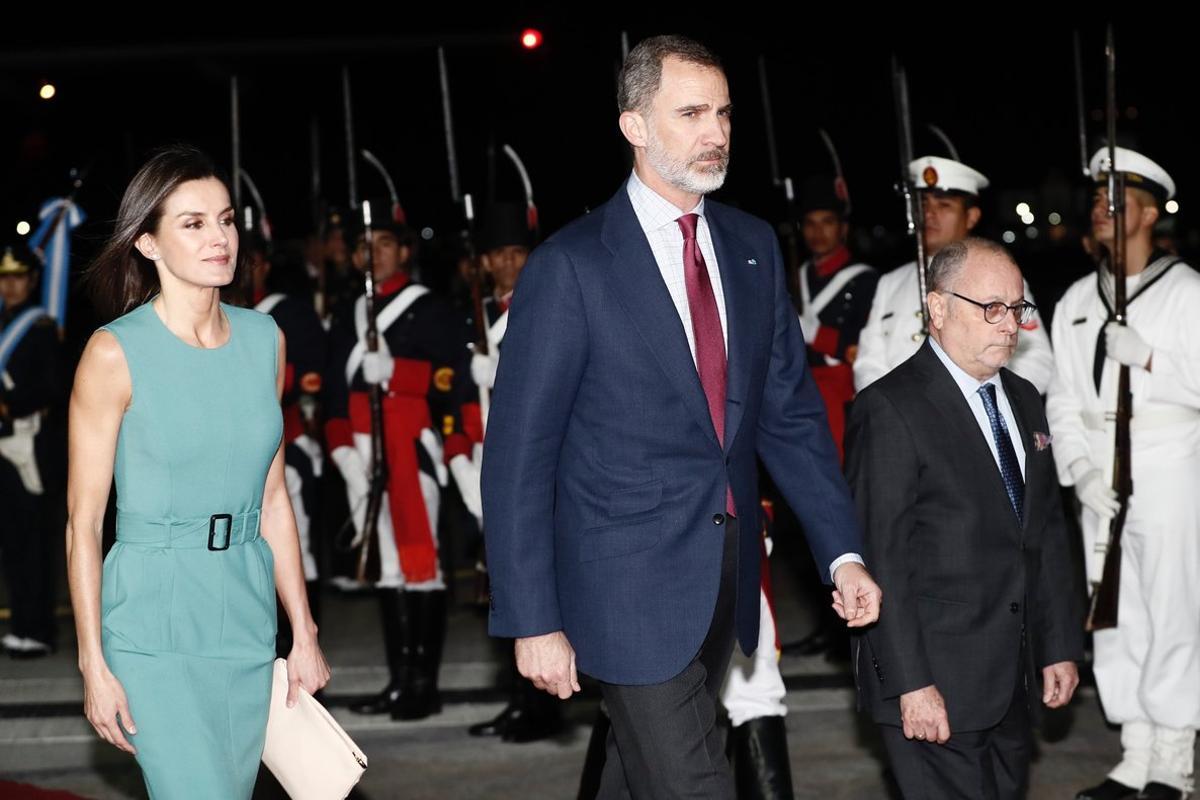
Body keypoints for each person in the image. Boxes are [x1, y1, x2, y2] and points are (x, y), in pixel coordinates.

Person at [482, 35, 881, 797]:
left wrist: (841, 553)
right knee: (694, 784)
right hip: (622, 591)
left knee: (635, 781)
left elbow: (790, 416)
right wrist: (532, 618)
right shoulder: (572, 266)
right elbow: (519, 457)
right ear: (634, 126)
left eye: (724, 113)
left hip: (723, 587)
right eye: (691, 112)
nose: (717, 132)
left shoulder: (753, 246)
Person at [65, 145, 330, 798]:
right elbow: (83, 522)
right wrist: (92, 662)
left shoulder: (265, 338)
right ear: (147, 244)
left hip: (244, 611)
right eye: (193, 223)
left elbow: (272, 498)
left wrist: (305, 633)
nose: (220, 237)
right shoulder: (114, 352)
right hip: (154, 623)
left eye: (227, 219)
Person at [846, 237, 1084, 799]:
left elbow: (1044, 533)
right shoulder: (890, 408)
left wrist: (1057, 645)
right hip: (935, 683)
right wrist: (911, 685)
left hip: (1011, 681)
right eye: (992, 308)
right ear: (938, 308)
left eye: (1018, 308)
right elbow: (882, 559)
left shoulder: (1024, 399)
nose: (1010, 326)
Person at [1047, 148, 1200, 800]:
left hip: (1169, 469)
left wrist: (1151, 362)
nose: (1102, 213)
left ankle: (1173, 755)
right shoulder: (1078, 300)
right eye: (1097, 202)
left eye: (1117, 203)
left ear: (1146, 214)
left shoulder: (1186, 291)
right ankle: (1135, 751)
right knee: (1113, 615)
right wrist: (1079, 470)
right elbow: (1061, 396)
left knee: (1174, 610)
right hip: (1100, 483)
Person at [324, 214, 469, 720]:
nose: (374, 254)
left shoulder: (428, 308)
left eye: (384, 244)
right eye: (365, 245)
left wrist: (400, 374)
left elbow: (454, 378)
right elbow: (334, 390)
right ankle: (398, 681)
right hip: (362, 450)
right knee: (386, 567)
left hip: (411, 446)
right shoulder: (349, 311)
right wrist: (341, 448)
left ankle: (423, 686)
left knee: (419, 564)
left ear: (403, 251)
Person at [454, 202, 565, 743]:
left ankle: (544, 707)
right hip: (491, 464)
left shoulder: (544, 304)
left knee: (535, 585)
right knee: (504, 587)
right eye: (497, 255)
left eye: (517, 253)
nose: (506, 263)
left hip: (540, 469)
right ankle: (520, 699)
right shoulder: (478, 313)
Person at [854, 155, 1055, 393]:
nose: (929, 214)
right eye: (923, 205)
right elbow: (868, 365)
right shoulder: (890, 284)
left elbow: (1038, 361)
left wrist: (984, 396)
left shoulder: (1002, 281)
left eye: (944, 205)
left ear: (971, 217)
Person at [0, 244, 62, 658]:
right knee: (11, 541)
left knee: (34, 541)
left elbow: (53, 387)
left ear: (33, 280)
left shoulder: (40, 328)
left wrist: (11, 404)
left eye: (18, 276)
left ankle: (38, 628)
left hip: (30, 445)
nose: (11, 284)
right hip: (3, 445)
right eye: (5, 277)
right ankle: (21, 622)